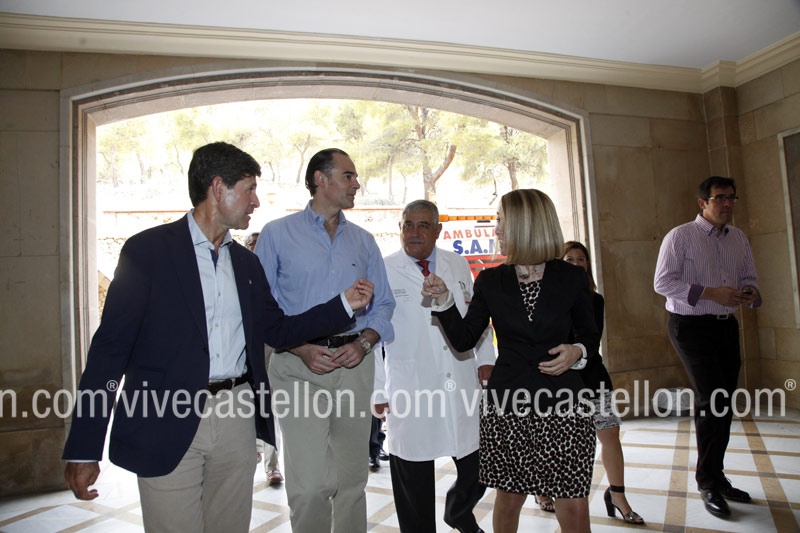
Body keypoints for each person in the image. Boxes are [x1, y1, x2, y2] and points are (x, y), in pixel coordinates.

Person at [61, 142, 374, 532]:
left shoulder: (246, 264)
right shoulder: (148, 253)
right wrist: (84, 446)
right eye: (249, 189)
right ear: (218, 187)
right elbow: (109, 352)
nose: (255, 201)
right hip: (165, 416)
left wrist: (342, 305)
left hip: (235, 417)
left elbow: (277, 330)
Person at [422, 189, 599, 533]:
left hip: (565, 403)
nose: (497, 229)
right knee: (509, 498)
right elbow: (464, 339)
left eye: (501, 220)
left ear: (525, 223)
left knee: (573, 503)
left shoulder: (571, 277)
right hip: (509, 404)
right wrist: (444, 300)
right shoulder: (491, 280)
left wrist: (577, 351)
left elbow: (590, 335)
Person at [254, 148, 395, 533]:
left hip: (354, 365)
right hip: (296, 366)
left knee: (351, 480)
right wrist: (299, 348)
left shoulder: (364, 241)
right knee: (310, 485)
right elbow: (262, 309)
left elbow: (384, 305)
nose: (357, 184)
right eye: (348, 175)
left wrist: (363, 344)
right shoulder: (277, 234)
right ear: (321, 179)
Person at [375, 200, 495, 533]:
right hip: (411, 385)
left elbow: (475, 315)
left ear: (438, 230)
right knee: (413, 478)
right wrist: (378, 390)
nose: (413, 233)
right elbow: (373, 334)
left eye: (423, 225)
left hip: (459, 375)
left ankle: (458, 512)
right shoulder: (383, 269)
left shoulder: (457, 263)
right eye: (407, 225)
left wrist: (486, 358)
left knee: (478, 464)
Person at [654, 176, 761, 518]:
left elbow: (749, 277)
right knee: (712, 399)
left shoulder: (738, 238)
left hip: (725, 325)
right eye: (720, 198)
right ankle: (708, 483)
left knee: (723, 402)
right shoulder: (680, 236)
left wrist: (750, 293)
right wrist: (712, 292)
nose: (727, 204)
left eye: (731, 198)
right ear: (703, 203)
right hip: (690, 327)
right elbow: (663, 282)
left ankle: (717, 475)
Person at [538, 241, 642, 524]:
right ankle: (544, 488)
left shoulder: (595, 300)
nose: (576, 264)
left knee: (610, 433)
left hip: (593, 376)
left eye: (581, 259)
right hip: (558, 379)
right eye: (569, 259)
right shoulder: (547, 298)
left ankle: (617, 495)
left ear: (588, 265)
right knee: (554, 439)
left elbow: (591, 342)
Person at [246, 231, 285, 485]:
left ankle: (272, 466)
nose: (256, 249)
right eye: (252, 245)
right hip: (245, 348)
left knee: (269, 405)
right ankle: (251, 455)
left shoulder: (275, 276)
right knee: (245, 405)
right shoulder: (238, 273)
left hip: (270, 346)